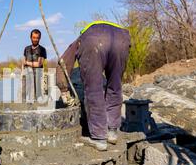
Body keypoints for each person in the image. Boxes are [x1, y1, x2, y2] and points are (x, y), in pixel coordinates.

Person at [57, 21, 131, 151]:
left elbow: (64, 63)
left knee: (94, 89)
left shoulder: (83, 37)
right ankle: (112, 131)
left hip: (94, 40)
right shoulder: (114, 30)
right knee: (115, 86)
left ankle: (99, 137)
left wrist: (64, 90)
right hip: (122, 39)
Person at [23, 29, 47, 101]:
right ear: (30, 37)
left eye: (37, 38)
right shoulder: (26, 49)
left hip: (38, 76)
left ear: (40, 38)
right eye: (34, 37)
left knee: (38, 96)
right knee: (27, 96)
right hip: (28, 76)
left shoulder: (42, 49)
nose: (35, 39)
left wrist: (27, 63)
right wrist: (22, 72)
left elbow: (39, 64)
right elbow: (23, 62)